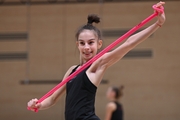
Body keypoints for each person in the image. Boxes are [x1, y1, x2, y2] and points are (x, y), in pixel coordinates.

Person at [27, 1, 166, 120]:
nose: (86, 47)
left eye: (91, 42)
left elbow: (128, 43)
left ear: (99, 44)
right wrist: (38, 105)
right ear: (77, 45)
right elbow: (52, 99)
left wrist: (157, 24)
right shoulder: (72, 70)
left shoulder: (98, 65)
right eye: (82, 43)